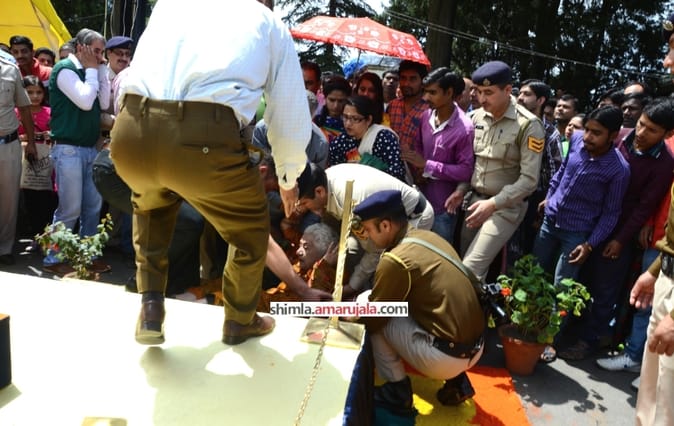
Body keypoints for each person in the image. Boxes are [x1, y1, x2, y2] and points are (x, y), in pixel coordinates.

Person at [111, 0, 311, 346]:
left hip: (131, 129)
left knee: (150, 207)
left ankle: (151, 307)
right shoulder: (267, 22)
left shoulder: (170, 5)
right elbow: (289, 110)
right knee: (250, 231)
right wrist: (288, 177)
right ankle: (239, 320)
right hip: (203, 137)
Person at [352, 190, 485, 415]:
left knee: (367, 304)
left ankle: (397, 390)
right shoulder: (429, 237)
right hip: (477, 348)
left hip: (445, 358)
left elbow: (374, 320)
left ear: (385, 226)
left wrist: (348, 316)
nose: (367, 237)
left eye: (368, 230)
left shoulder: (395, 259)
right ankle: (457, 382)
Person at [560, 98, 674, 360]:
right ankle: (565, 330)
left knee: (604, 290)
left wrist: (621, 240)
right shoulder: (618, 137)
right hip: (587, 222)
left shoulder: (665, 163)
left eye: (652, 130)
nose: (642, 133)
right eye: (642, 124)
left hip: (618, 233)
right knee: (576, 279)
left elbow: (644, 207)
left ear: (668, 134)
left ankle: (589, 340)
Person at [448, 61, 544, 283]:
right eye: (478, 91)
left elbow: (529, 181)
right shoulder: (475, 117)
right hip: (474, 201)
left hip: (505, 207)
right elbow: (471, 163)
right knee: (462, 263)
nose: (481, 99)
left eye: (489, 93)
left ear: (508, 90)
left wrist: (492, 204)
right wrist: (461, 189)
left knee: (470, 268)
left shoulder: (528, 125)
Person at [296, 162, 434, 297]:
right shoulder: (325, 180)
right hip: (387, 220)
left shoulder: (352, 202)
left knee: (389, 277)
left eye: (305, 203)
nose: (303, 208)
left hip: (414, 219)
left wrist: (352, 286)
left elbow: (376, 248)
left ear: (319, 192)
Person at [629, 18, 674, 423]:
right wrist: (657, 269)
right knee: (653, 393)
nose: (667, 61)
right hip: (667, 276)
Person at [42, 28, 110, 276]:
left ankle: (87, 256)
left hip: (89, 148)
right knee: (69, 209)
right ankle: (53, 258)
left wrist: (99, 70)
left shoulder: (90, 69)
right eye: (97, 51)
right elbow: (85, 100)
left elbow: (103, 102)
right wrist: (93, 70)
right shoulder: (64, 70)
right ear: (81, 47)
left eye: (102, 52)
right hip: (69, 149)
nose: (100, 57)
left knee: (92, 207)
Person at [402, 67, 474, 244]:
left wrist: (427, 166)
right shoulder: (426, 116)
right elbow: (419, 145)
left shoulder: (464, 128)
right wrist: (420, 171)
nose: (426, 97)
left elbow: (466, 170)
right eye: (425, 91)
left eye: (432, 93)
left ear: (449, 93)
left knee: (438, 251)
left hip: (443, 207)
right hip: (419, 201)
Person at [0, 53, 36, 266]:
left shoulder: (10, 69)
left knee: (9, 200)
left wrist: (31, 141)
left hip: (8, 143)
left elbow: (24, 108)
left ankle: (4, 248)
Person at [257, 223, 338, 312]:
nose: (298, 251)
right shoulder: (302, 264)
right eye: (300, 245)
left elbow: (309, 307)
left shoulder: (327, 274)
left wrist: (325, 266)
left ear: (326, 253)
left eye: (306, 247)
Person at [16, 75, 57, 239]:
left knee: (44, 197)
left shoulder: (49, 113)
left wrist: (49, 135)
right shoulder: (16, 113)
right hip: (21, 162)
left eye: (38, 92)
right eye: (30, 92)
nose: (35, 96)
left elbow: (56, 134)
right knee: (24, 198)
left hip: (45, 164)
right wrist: (25, 138)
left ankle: (42, 234)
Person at [329, 95, 406, 181]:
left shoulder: (384, 138)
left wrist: (366, 171)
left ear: (368, 120)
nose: (348, 123)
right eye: (345, 117)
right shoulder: (340, 142)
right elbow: (333, 174)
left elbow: (398, 172)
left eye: (355, 119)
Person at [313, 75, 351, 145]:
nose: (336, 106)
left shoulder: (352, 124)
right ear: (325, 98)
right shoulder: (316, 122)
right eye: (332, 100)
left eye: (340, 101)